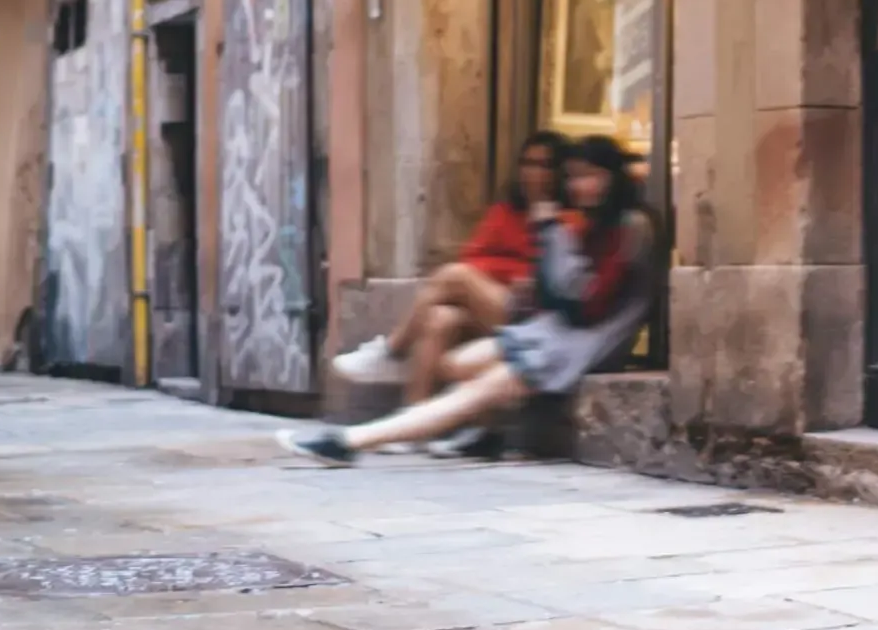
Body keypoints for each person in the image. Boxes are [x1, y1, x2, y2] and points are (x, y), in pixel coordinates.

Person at [281, 136, 656, 466]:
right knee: (455, 363)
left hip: (578, 346)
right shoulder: (588, 224)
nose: (579, 186)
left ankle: (350, 441)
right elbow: (555, 289)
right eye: (573, 176)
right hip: (553, 331)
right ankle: (486, 430)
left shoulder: (632, 227)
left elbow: (587, 303)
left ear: (612, 176)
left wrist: (550, 234)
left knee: (473, 391)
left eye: (589, 175)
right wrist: (551, 244)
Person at [329, 130, 566, 408]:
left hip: (533, 317)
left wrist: (505, 273)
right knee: (440, 319)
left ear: (559, 172)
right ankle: (412, 419)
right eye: (528, 163)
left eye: (544, 165)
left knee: (455, 275)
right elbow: (474, 257)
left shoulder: (564, 218)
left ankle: (392, 350)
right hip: (493, 304)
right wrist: (501, 274)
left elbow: (545, 274)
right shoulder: (505, 212)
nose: (533, 173)